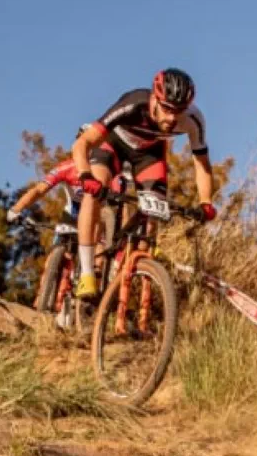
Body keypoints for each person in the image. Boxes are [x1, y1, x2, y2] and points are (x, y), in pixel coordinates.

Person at [69, 68, 217, 298]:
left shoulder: (194, 119)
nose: (171, 118)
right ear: (154, 99)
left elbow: (202, 164)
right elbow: (83, 143)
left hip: (149, 154)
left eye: (178, 111)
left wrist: (206, 202)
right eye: (166, 108)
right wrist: (85, 176)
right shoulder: (132, 104)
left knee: (153, 215)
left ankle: (133, 277)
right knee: (95, 191)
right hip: (113, 145)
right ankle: (87, 273)